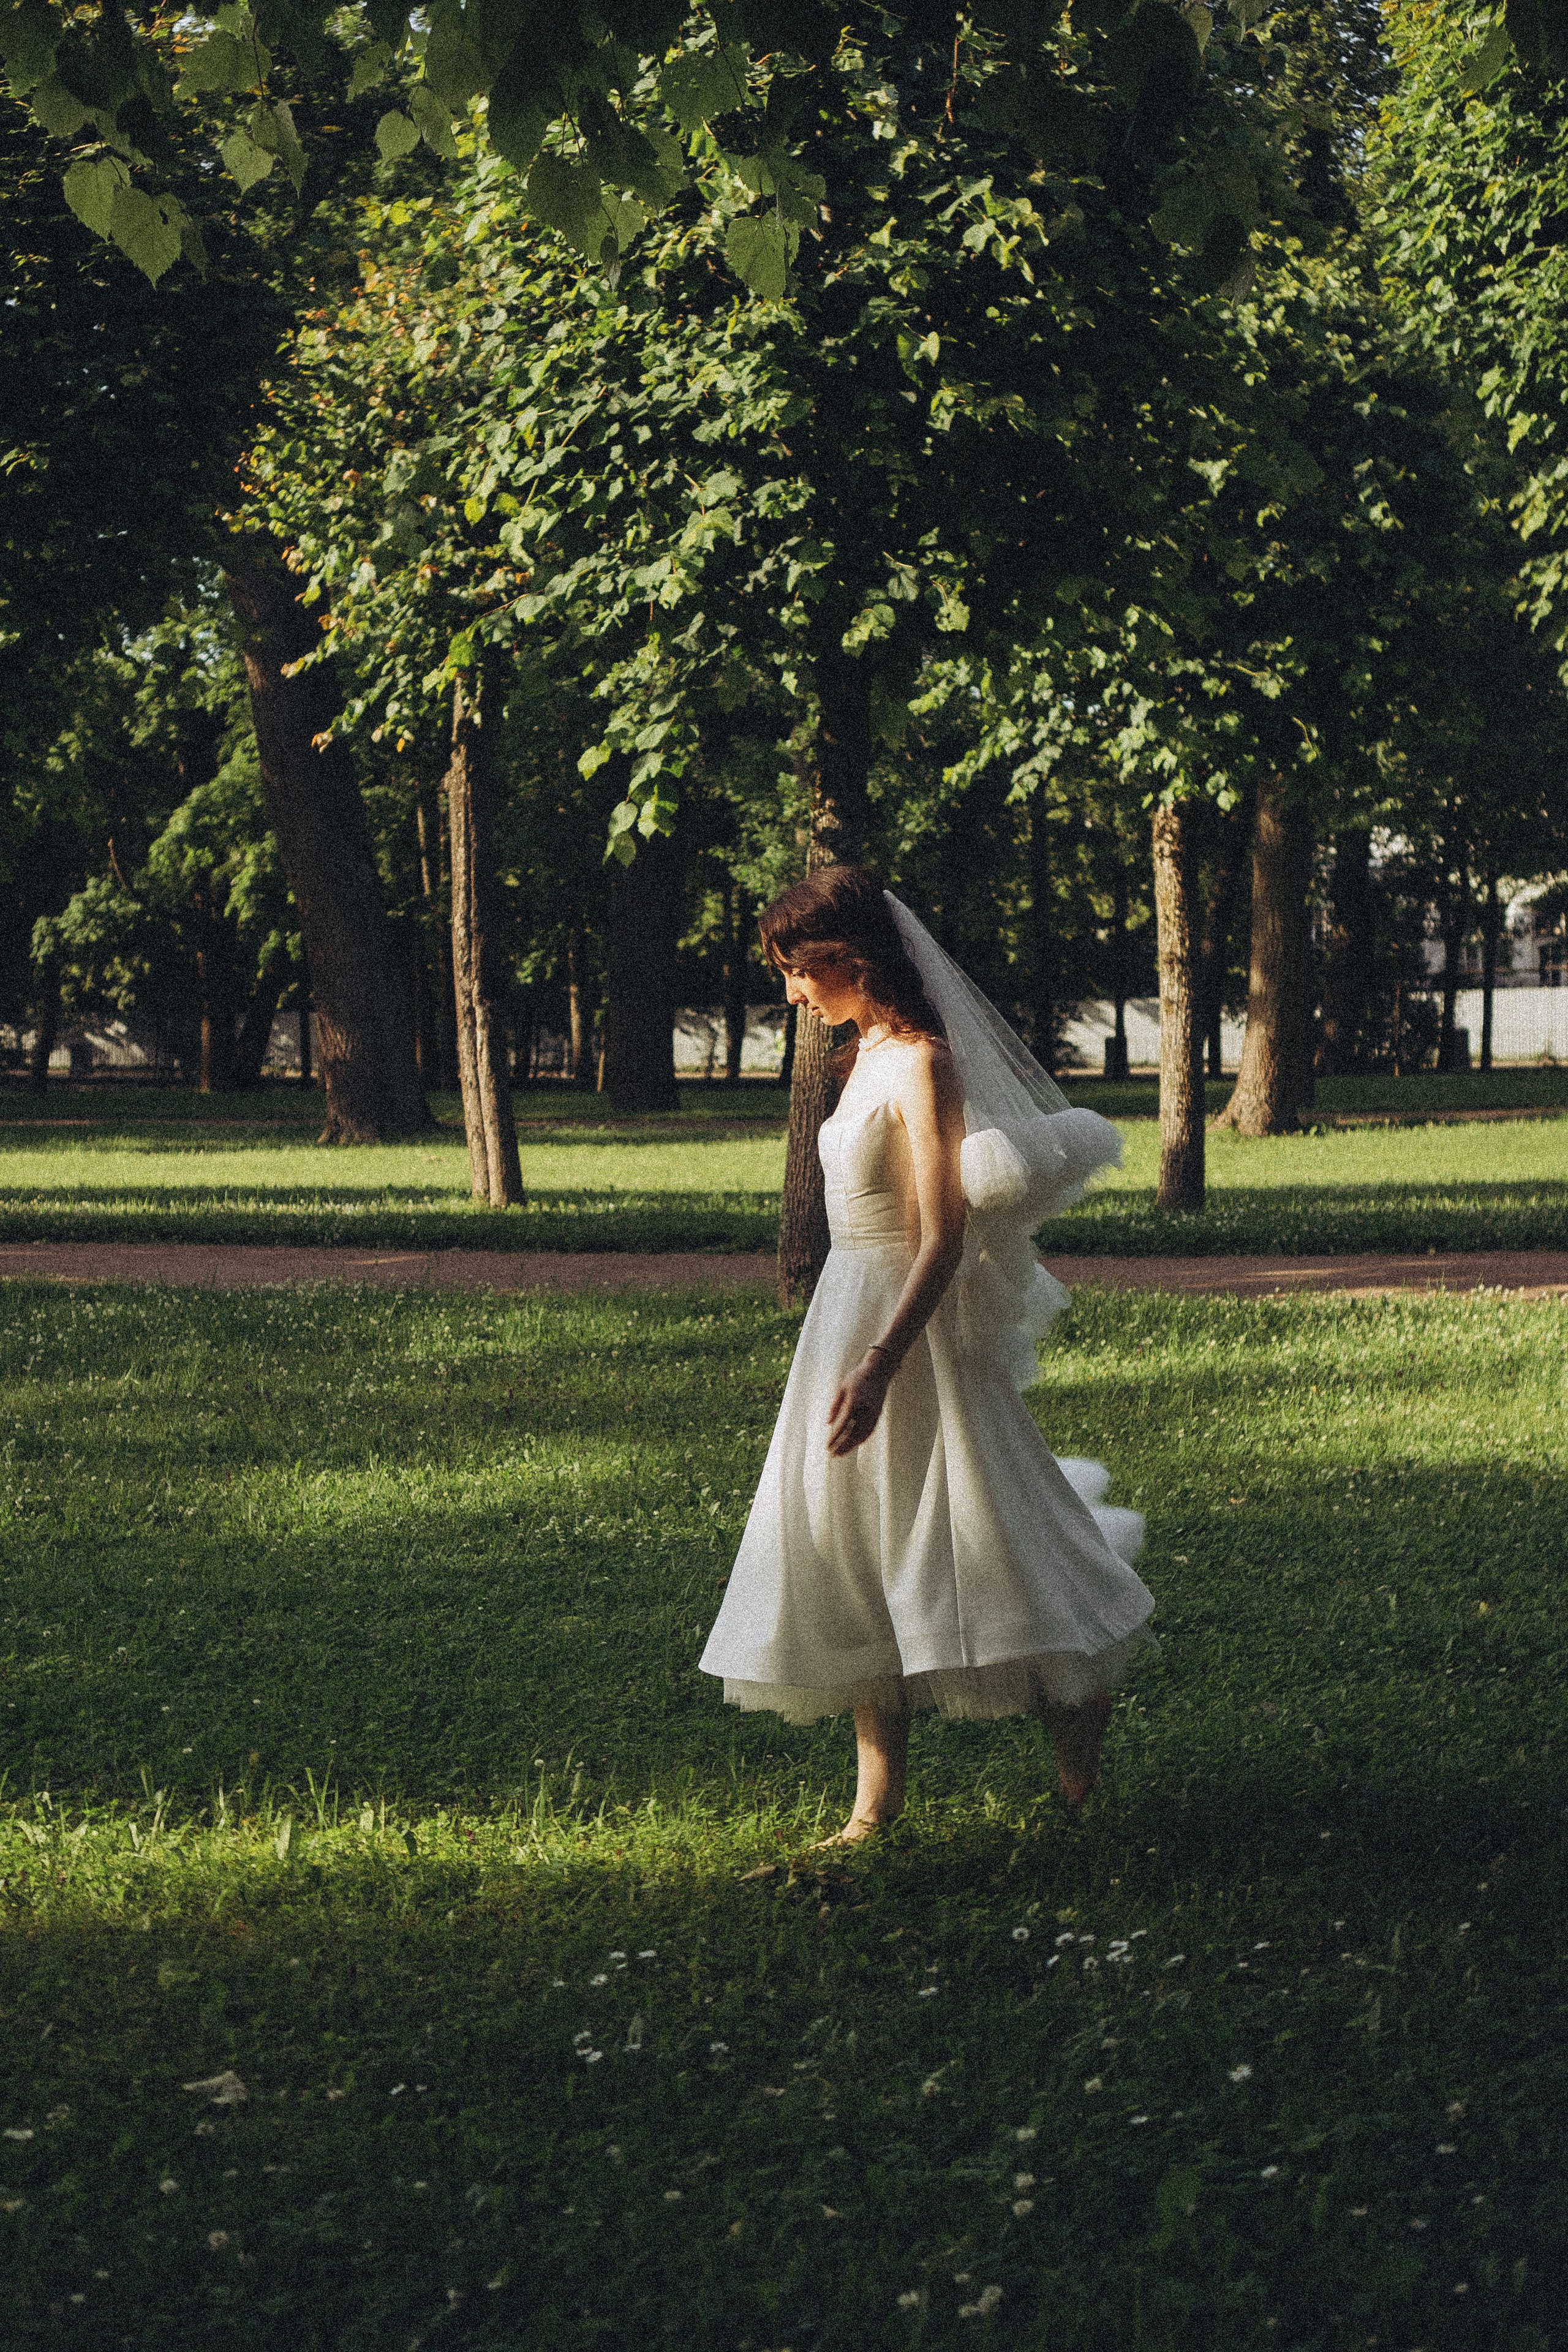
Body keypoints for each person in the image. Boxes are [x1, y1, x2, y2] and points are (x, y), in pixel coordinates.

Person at [699, 864, 1155, 1845]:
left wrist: (880, 1363)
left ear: (848, 959)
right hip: (841, 1314)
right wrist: (844, 1349)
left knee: (989, 1534)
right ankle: (874, 1807)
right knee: (856, 1548)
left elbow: (944, 1237)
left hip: (905, 1327)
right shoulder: (853, 1059)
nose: (790, 993)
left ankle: (1078, 1765)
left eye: (796, 971)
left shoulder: (924, 1065)